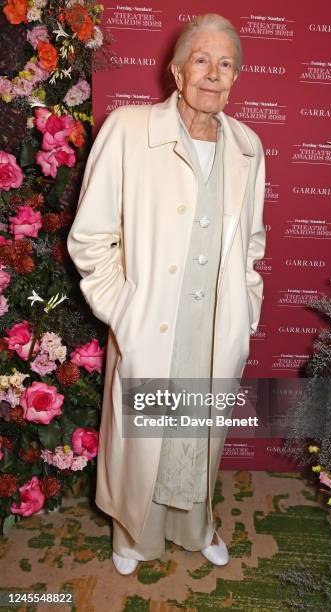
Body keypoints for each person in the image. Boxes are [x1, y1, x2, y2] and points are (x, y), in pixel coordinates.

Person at [67, 13, 266, 575]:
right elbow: (90, 238)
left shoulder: (249, 147)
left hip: (212, 331)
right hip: (151, 324)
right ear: (177, 71)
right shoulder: (130, 130)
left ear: (236, 78)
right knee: (144, 442)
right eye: (201, 60)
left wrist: (244, 311)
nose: (213, 74)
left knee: (198, 438)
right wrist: (123, 310)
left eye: (226, 64)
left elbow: (252, 243)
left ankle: (196, 524)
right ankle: (133, 534)